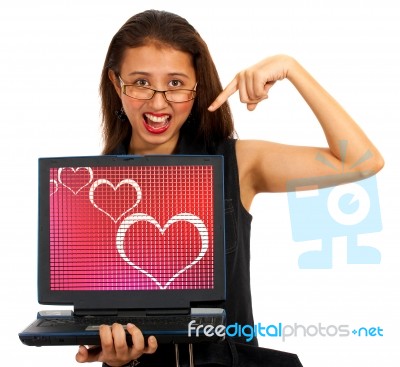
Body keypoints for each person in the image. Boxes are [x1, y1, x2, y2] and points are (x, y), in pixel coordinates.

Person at [75, 9, 384, 367]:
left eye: (175, 83)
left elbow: (361, 161)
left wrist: (290, 67)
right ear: (116, 84)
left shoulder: (237, 163)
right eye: (141, 82)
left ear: (196, 88)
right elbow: (102, 317)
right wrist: (116, 358)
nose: (158, 103)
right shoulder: (91, 187)